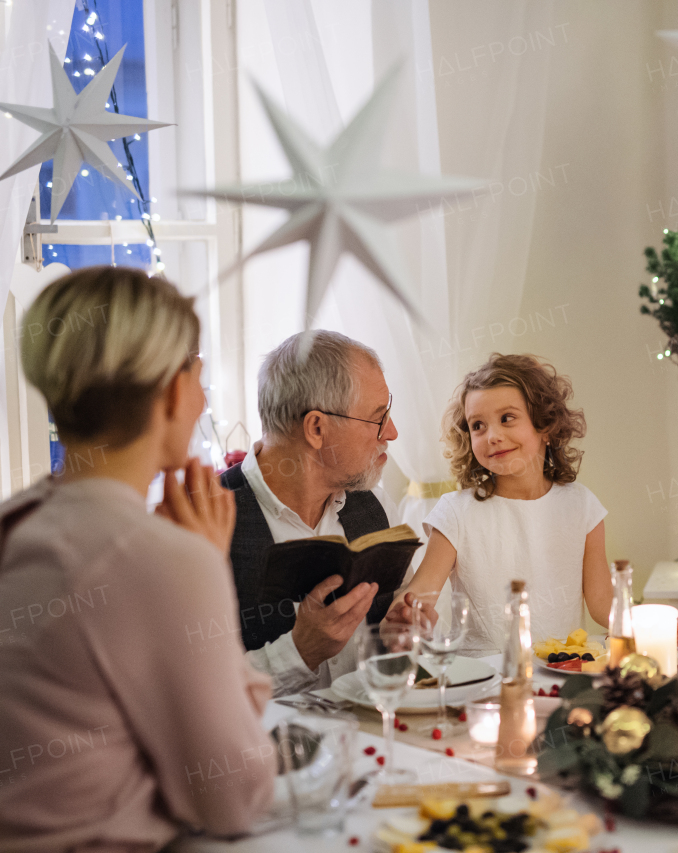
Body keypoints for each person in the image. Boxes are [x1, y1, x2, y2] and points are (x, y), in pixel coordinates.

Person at [0, 267, 274, 848]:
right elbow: (236, 799)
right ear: (173, 391)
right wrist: (205, 570)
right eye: (199, 376)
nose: (202, 397)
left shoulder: (20, 519)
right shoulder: (159, 557)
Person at [222, 330, 416, 696]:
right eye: (378, 417)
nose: (391, 431)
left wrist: (402, 632)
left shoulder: (375, 504)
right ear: (316, 428)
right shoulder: (205, 521)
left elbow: (405, 610)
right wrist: (299, 652)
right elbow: (189, 696)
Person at [390, 353, 611, 655]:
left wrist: (655, 624)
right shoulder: (455, 513)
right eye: (478, 425)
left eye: (507, 418)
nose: (492, 436)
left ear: (545, 425)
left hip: (560, 676)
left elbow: (602, 604)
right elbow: (420, 594)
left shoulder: (582, 505)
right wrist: (406, 615)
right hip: (481, 683)